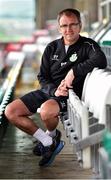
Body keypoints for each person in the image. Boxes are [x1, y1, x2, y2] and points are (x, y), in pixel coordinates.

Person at [5, 8, 107, 167]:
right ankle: (48, 141)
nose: (69, 29)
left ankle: (50, 136)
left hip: (69, 95)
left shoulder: (88, 45)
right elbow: (42, 77)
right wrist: (53, 90)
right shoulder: (52, 47)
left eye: (73, 24)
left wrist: (74, 71)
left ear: (80, 26)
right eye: (64, 25)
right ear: (59, 28)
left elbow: (101, 60)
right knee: (10, 112)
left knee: (46, 111)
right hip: (48, 91)